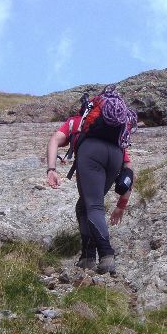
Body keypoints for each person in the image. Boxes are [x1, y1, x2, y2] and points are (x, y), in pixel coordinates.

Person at [46, 105, 133, 274]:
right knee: (83, 206)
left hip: (91, 152)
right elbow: (128, 169)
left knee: (93, 206)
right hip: (116, 156)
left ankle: (106, 255)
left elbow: (54, 140)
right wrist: (122, 204)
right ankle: (87, 257)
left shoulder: (77, 121)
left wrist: (51, 169)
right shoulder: (114, 133)